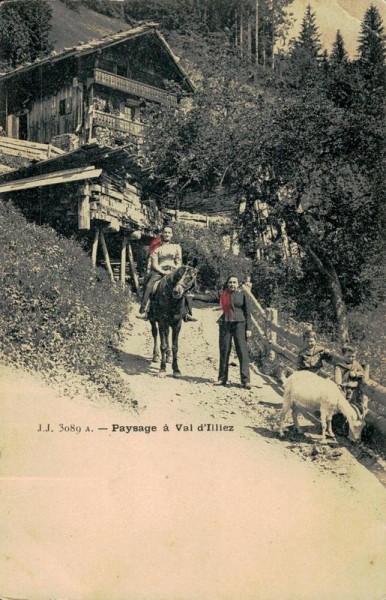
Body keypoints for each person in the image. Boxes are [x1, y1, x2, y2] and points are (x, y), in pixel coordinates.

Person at [190, 275, 252, 389]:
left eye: (234, 282)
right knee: (224, 350)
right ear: (227, 284)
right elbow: (208, 298)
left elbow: (248, 313)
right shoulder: (223, 294)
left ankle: (245, 380)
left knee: (242, 352)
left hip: (240, 324)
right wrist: (194, 296)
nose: (232, 284)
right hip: (225, 324)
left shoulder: (243, 295)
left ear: (238, 284)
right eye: (230, 282)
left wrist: (248, 329)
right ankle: (222, 378)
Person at [137, 224, 196, 321]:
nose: (167, 234)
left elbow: (178, 261)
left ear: (172, 234)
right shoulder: (156, 248)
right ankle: (144, 311)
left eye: (169, 232)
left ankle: (187, 313)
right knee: (149, 286)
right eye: (165, 232)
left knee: (184, 285)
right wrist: (163, 271)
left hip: (174, 270)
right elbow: (154, 263)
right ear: (162, 234)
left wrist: (175, 270)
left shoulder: (176, 247)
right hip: (160, 270)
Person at [334, 344, 366, 410]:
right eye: (348, 356)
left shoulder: (356, 364)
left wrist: (356, 374)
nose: (351, 358)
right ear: (343, 355)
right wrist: (339, 385)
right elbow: (338, 376)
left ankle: (351, 417)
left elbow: (362, 373)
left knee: (352, 404)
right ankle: (341, 417)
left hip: (354, 388)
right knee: (341, 404)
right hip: (343, 388)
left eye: (353, 356)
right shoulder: (339, 365)